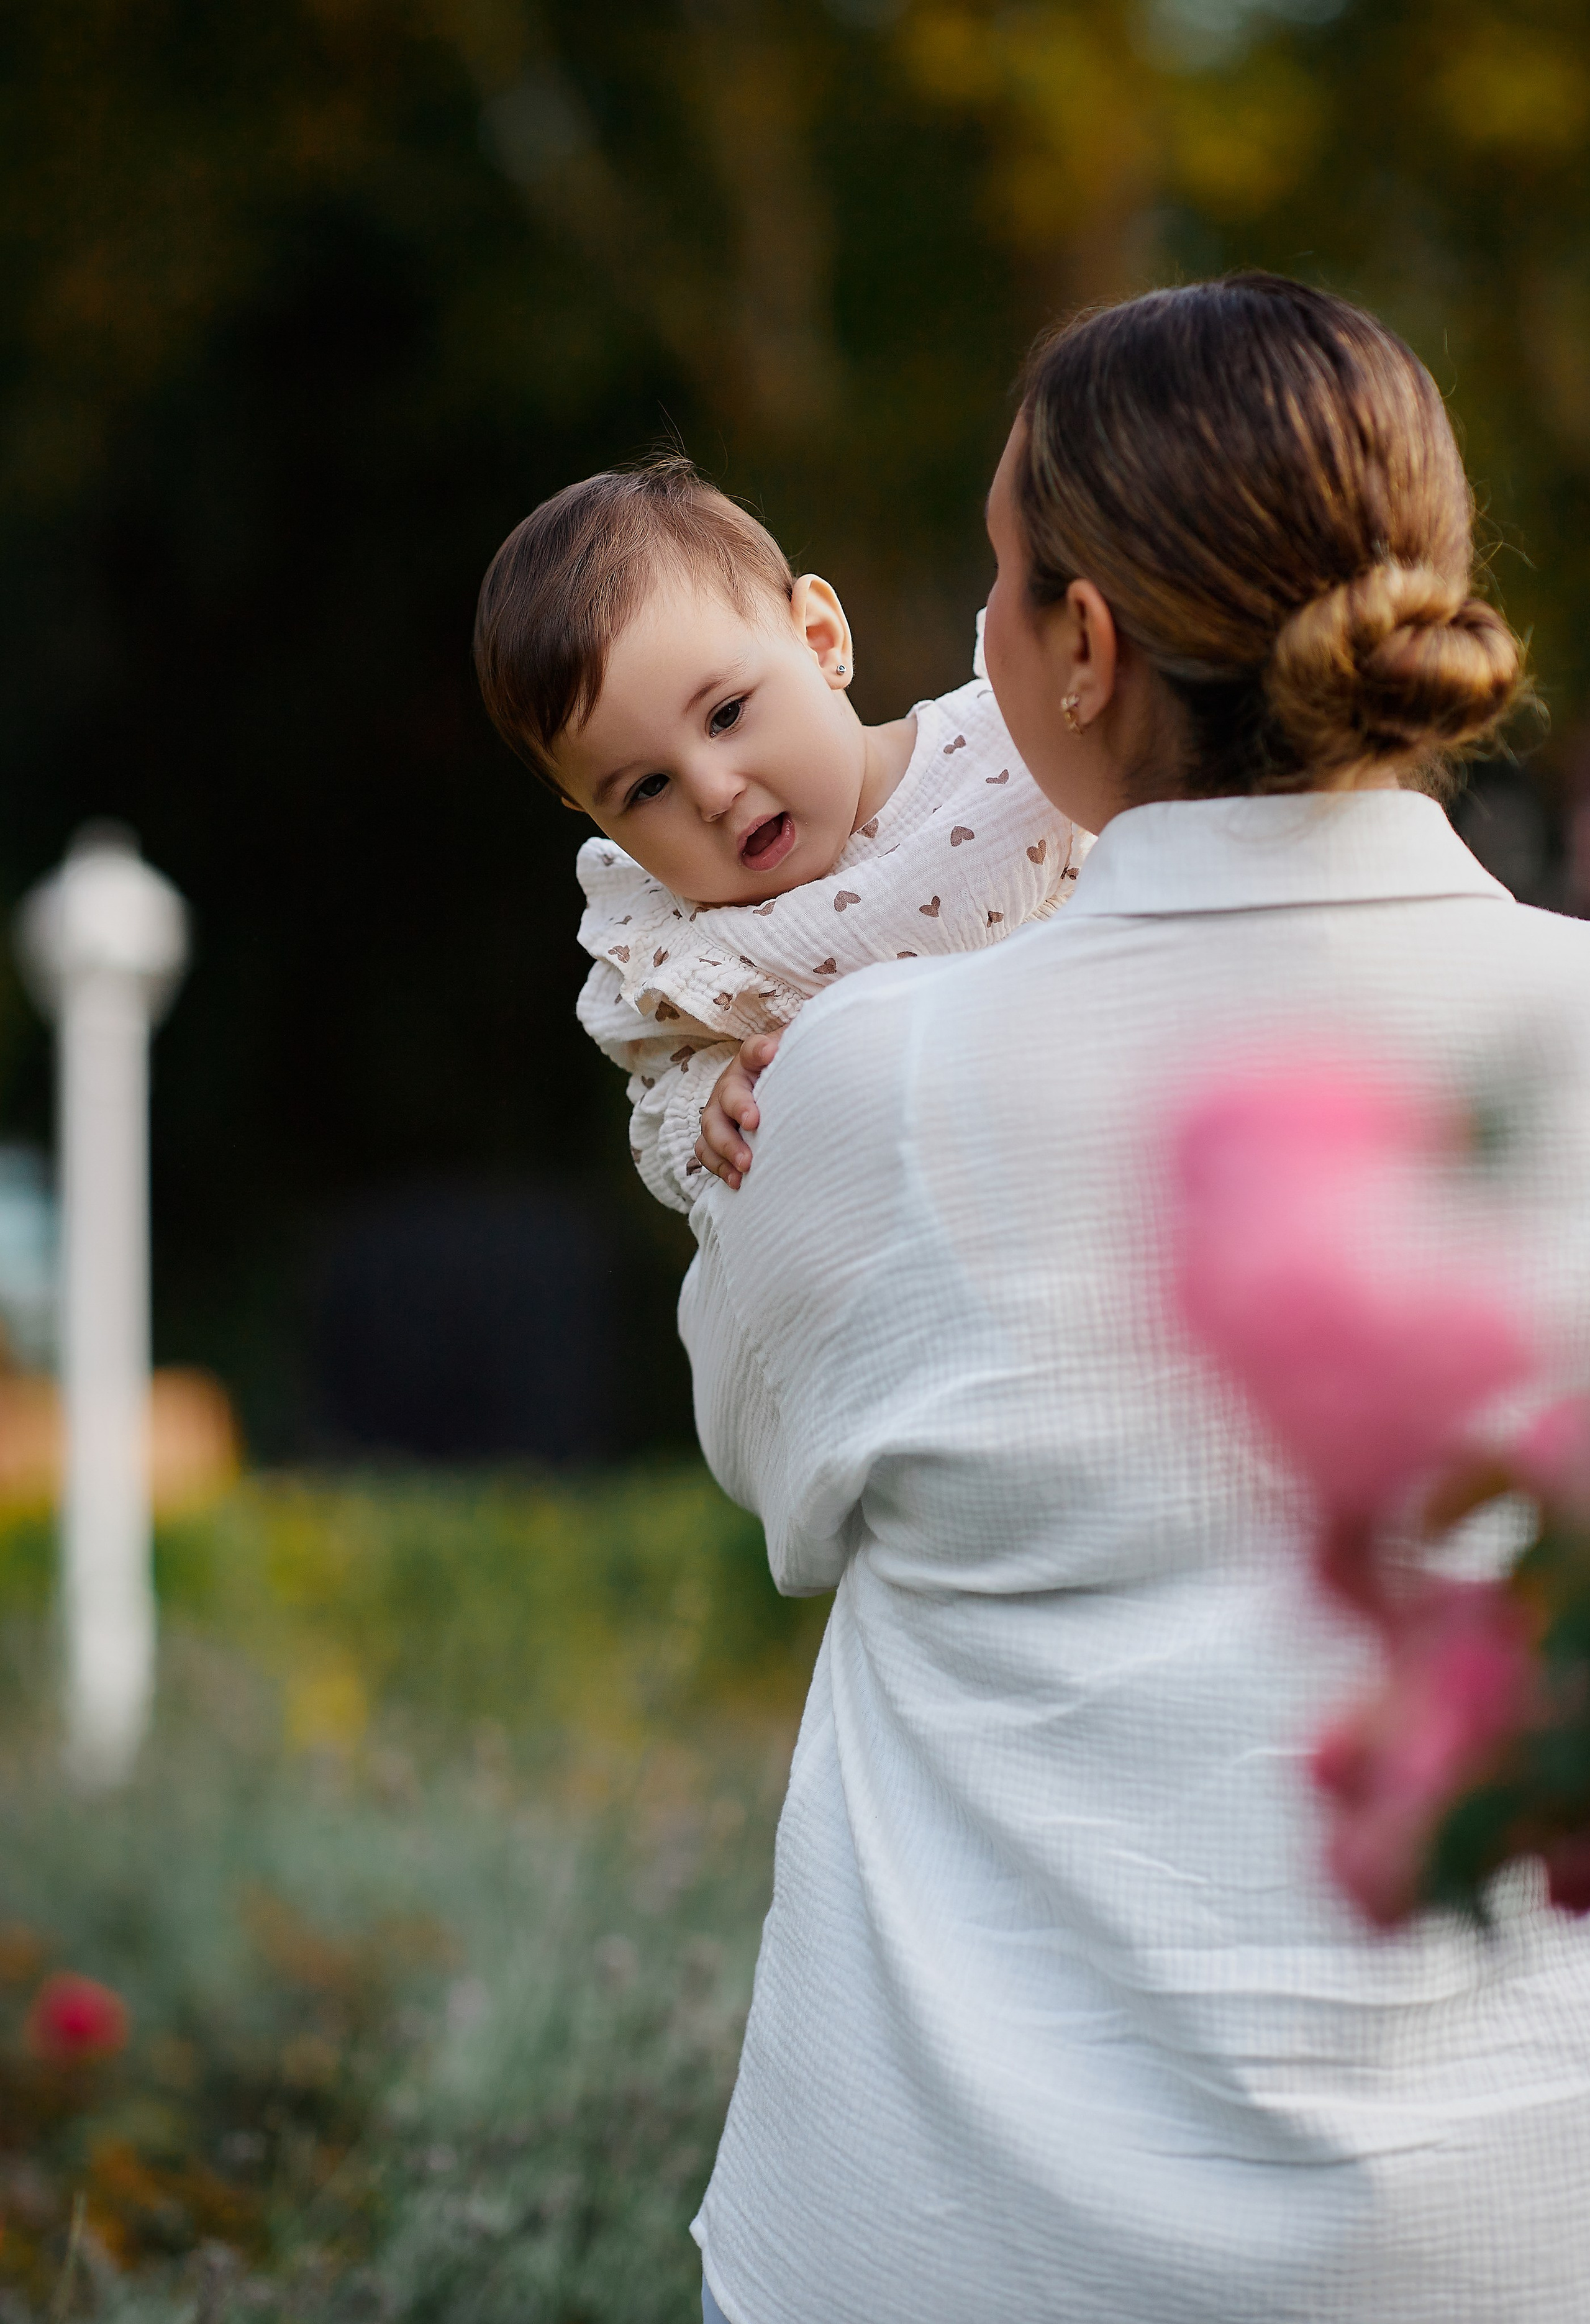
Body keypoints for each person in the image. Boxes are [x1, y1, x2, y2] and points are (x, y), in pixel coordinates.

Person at [680, 275, 1590, 2324]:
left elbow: (772, 1471)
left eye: (1001, 592)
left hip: (955, 2248)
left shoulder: (875, 1077)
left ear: (1082, 648)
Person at [473, 460, 1086, 1211]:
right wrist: (711, 1108)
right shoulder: (688, 945)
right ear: (602, 825)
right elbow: (661, 1115)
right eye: (647, 788)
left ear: (821, 640)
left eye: (726, 714)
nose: (712, 791)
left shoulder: (1008, 748)